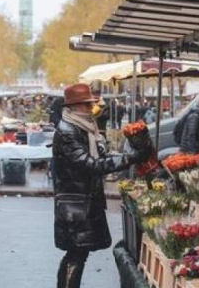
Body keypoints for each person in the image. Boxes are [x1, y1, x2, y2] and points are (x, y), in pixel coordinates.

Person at [53, 83, 148, 288]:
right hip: (76, 203)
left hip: (84, 201)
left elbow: (102, 157)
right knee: (76, 254)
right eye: (87, 105)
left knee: (79, 253)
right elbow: (90, 164)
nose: (91, 108)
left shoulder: (85, 127)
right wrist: (130, 159)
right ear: (75, 106)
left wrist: (127, 155)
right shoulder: (68, 130)